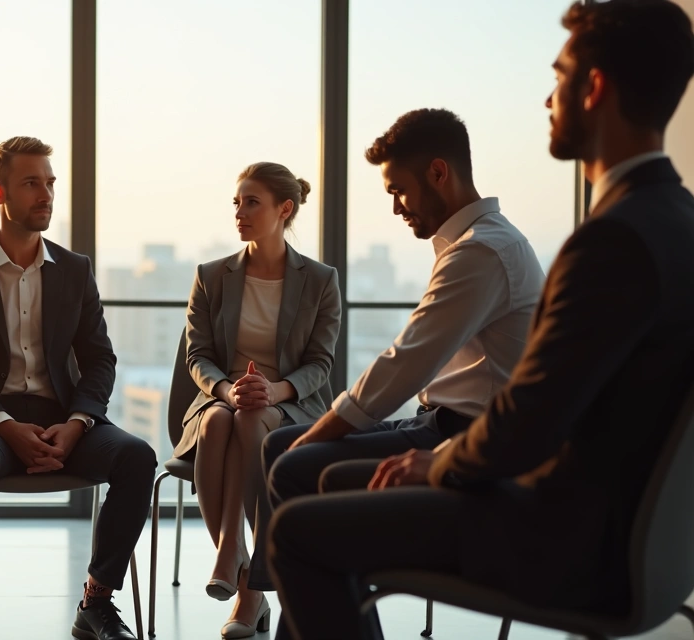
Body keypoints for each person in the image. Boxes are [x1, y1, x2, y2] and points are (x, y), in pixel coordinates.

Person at [267, 1, 694, 638]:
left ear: (595, 88)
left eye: (560, 77)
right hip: (633, 534)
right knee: (321, 478)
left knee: (297, 530)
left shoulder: (612, 241)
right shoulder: (675, 220)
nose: (549, 100)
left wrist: (438, 464)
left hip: (567, 535)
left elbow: (532, 418)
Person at [247, 108, 546, 606]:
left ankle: (299, 604)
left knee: (294, 462)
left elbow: (402, 365)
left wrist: (319, 434)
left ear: (437, 173)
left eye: (398, 191)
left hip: (462, 435)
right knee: (281, 446)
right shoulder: (478, 242)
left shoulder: (482, 252)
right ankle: (295, 607)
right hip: (441, 421)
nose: (396, 208)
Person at [0, 136, 157, 640]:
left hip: (61, 416)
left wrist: (77, 425)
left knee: (137, 456)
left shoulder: (74, 271)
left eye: (50, 183)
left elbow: (99, 359)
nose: (46, 194)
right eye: (32, 183)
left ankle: (96, 602)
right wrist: (5, 427)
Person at [175, 162, 340, 638]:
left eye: (252, 202)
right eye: (237, 202)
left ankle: (235, 566)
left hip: (288, 404)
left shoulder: (320, 280)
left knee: (248, 422)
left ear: (284, 209)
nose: (240, 212)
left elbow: (320, 364)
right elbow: (199, 356)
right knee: (219, 423)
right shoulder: (212, 275)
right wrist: (227, 390)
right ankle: (247, 582)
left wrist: (274, 390)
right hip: (220, 398)